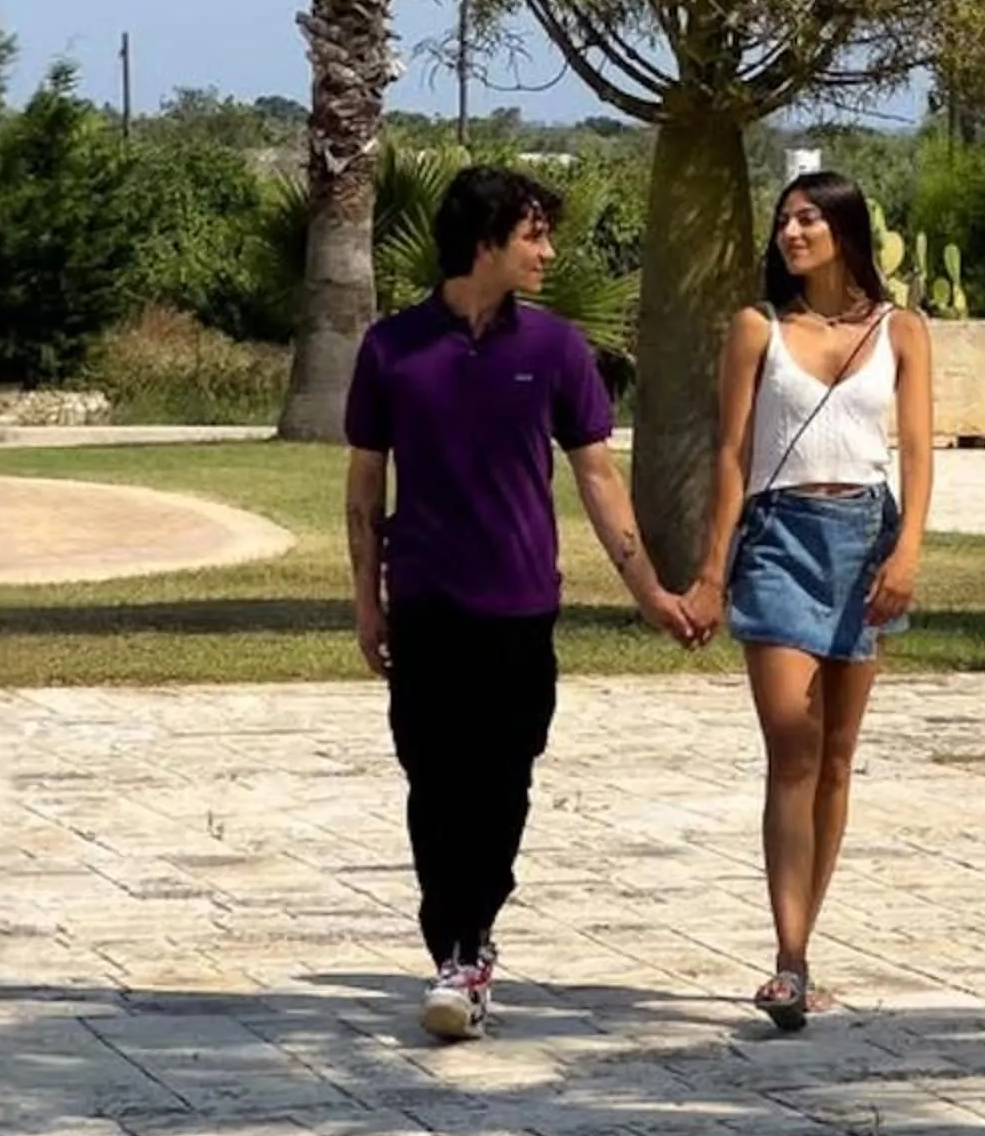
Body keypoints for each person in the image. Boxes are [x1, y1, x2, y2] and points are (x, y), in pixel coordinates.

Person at [343, 162, 698, 1040]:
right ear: (485, 240)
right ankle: (456, 951)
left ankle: (474, 937)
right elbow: (363, 487)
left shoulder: (555, 349)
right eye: (534, 233)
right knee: (432, 780)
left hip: (519, 605)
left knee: (503, 781)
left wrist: (648, 588)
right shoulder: (391, 347)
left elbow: (599, 476)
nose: (548, 250)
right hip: (425, 600)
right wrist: (364, 600)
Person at [683, 168, 934, 1032]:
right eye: (785, 221)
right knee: (791, 742)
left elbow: (917, 451)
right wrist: (712, 571)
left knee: (836, 756)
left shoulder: (901, 330)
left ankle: (805, 944)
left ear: (846, 231)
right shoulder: (759, 328)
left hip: (864, 536)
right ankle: (786, 959)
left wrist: (908, 550)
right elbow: (728, 452)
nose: (792, 234)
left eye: (809, 220)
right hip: (779, 539)